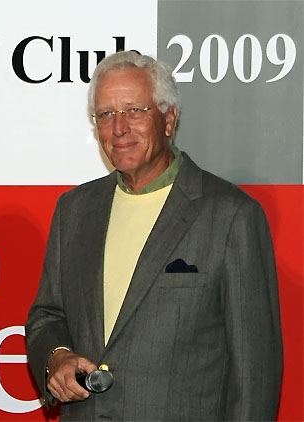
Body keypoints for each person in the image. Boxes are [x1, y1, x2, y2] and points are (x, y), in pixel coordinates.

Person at [25, 51, 282, 420]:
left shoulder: (231, 215)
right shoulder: (74, 210)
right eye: (106, 114)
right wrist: (57, 356)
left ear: (169, 119)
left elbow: (254, 373)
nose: (119, 128)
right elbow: (47, 316)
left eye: (134, 110)